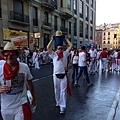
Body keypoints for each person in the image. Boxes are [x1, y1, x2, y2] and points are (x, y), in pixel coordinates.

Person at [0, 42, 36, 120]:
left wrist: (33, 96)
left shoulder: (24, 67)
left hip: (20, 105)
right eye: (6, 55)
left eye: (12, 55)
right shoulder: (0, 69)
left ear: (17, 55)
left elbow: (29, 82)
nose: (9, 57)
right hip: (6, 108)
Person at [47, 30, 72, 114]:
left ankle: (62, 107)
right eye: (58, 48)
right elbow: (48, 48)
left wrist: (65, 39)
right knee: (56, 90)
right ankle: (57, 101)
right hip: (55, 76)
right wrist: (52, 40)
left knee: (63, 92)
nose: (60, 50)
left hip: (64, 76)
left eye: (61, 48)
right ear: (56, 49)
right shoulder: (54, 55)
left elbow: (71, 45)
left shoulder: (65, 53)